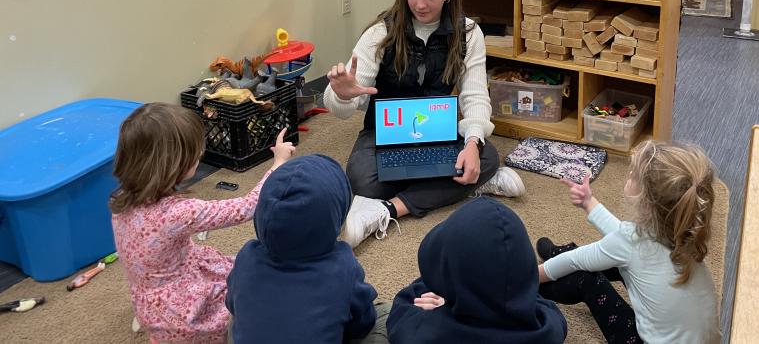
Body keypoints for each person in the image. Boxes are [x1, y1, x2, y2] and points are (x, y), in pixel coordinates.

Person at [324, 0, 525, 248]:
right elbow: (340, 106)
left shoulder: (469, 33)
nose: (420, 4)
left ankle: (389, 209)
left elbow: (475, 97)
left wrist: (472, 143)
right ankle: (470, 184)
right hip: (384, 131)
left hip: (439, 130)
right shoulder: (380, 32)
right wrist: (341, 94)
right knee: (362, 180)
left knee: (486, 156)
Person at [110, 103, 295, 343]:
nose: (200, 155)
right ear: (174, 163)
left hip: (149, 297)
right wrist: (278, 163)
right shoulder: (179, 213)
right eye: (195, 153)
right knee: (250, 286)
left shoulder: (120, 199)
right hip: (181, 307)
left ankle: (156, 322)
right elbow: (247, 207)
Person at [536, 141, 721, 344]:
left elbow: (576, 260)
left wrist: (529, 278)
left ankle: (532, 290)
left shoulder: (631, 243)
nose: (629, 174)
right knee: (606, 257)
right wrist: (588, 202)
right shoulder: (683, 233)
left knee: (585, 277)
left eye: (634, 175)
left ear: (646, 204)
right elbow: (624, 239)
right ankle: (557, 255)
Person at [226, 154, 389, 344]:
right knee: (389, 314)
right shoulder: (343, 266)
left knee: (237, 317)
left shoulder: (246, 256)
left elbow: (231, 303)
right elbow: (363, 323)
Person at [387, 197, 567, 343]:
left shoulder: (427, 333)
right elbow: (545, 306)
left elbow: (401, 309)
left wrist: (448, 299)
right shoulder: (548, 329)